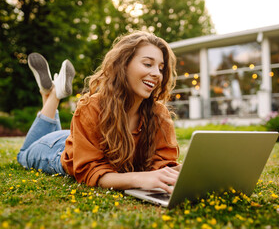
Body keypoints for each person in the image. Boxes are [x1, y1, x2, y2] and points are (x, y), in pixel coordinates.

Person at [17, 31, 181, 194]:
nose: (156, 74)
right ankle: (53, 95)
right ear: (123, 65)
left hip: (83, 139)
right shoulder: (92, 107)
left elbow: (163, 165)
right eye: (147, 64)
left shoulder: (159, 114)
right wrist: (137, 179)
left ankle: (49, 92)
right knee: (23, 154)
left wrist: (187, 170)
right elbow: (90, 170)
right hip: (56, 150)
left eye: (161, 68)